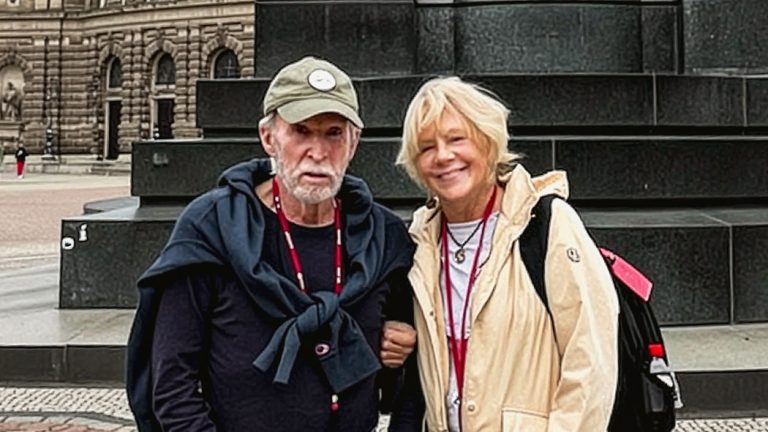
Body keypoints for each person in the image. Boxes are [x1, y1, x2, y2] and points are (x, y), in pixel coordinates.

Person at [126, 56, 423, 432]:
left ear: (353, 142)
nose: (318, 151)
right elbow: (172, 382)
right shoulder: (213, 227)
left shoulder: (384, 238)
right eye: (301, 130)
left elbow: (412, 382)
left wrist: (400, 350)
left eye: (333, 133)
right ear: (269, 137)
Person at [396, 76, 619, 432]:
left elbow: (591, 362)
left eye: (456, 139)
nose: (443, 156)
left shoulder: (546, 224)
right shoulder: (418, 240)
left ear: (487, 142)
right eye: (426, 147)